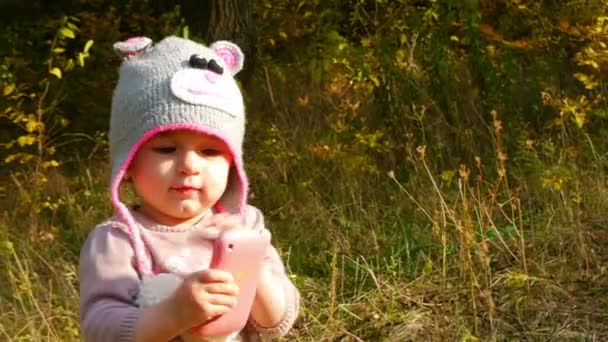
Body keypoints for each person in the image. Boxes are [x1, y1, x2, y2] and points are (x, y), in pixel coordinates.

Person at [79, 36, 300, 342]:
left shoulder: (245, 226)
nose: (189, 166)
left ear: (232, 164)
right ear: (128, 163)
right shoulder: (117, 240)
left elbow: (277, 321)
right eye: (167, 149)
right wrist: (175, 313)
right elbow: (100, 327)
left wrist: (252, 270)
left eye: (210, 152)